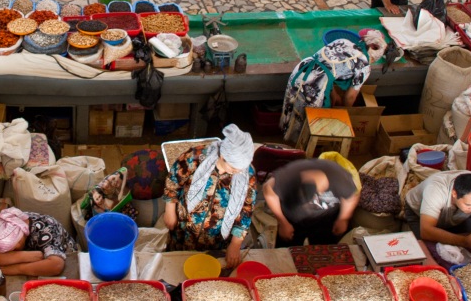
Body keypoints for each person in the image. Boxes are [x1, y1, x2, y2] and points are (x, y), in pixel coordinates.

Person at [164, 124, 257, 268]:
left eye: (241, 168)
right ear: (223, 155)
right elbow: (173, 181)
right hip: (184, 230)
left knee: (208, 270)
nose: (237, 172)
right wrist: (169, 209)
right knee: (177, 266)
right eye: (233, 167)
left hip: (217, 237)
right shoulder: (195, 157)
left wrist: (235, 244)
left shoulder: (246, 174)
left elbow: (247, 209)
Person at [280, 33, 387, 143]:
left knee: (292, 104)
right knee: (307, 117)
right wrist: (345, 112)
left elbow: (330, 68)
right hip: (314, 83)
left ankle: (285, 134)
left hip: (302, 69)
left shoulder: (343, 41)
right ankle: (296, 144)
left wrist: (334, 94)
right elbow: (350, 96)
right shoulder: (364, 65)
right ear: (373, 56)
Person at [263, 158, 359, 246]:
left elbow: (351, 197)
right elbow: (268, 190)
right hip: (293, 219)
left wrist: (343, 218)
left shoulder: (340, 178)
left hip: (326, 219)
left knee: (325, 252)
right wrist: (283, 222)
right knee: (285, 253)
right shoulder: (289, 175)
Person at [404, 171, 471, 251]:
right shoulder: (435, 191)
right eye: (468, 205)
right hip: (418, 214)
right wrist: (464, 241)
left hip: (456, 215)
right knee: (428, 251)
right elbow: (426, 231)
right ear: (454, 194)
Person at [0, 207, 76, 276]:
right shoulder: (6, 225)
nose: (8, 253)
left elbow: (56, 265)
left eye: (11, 250)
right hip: (36, 256)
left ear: (19, 244)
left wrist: (17, 269)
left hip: (71, 260)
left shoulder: (47, 229)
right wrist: (31, 256)